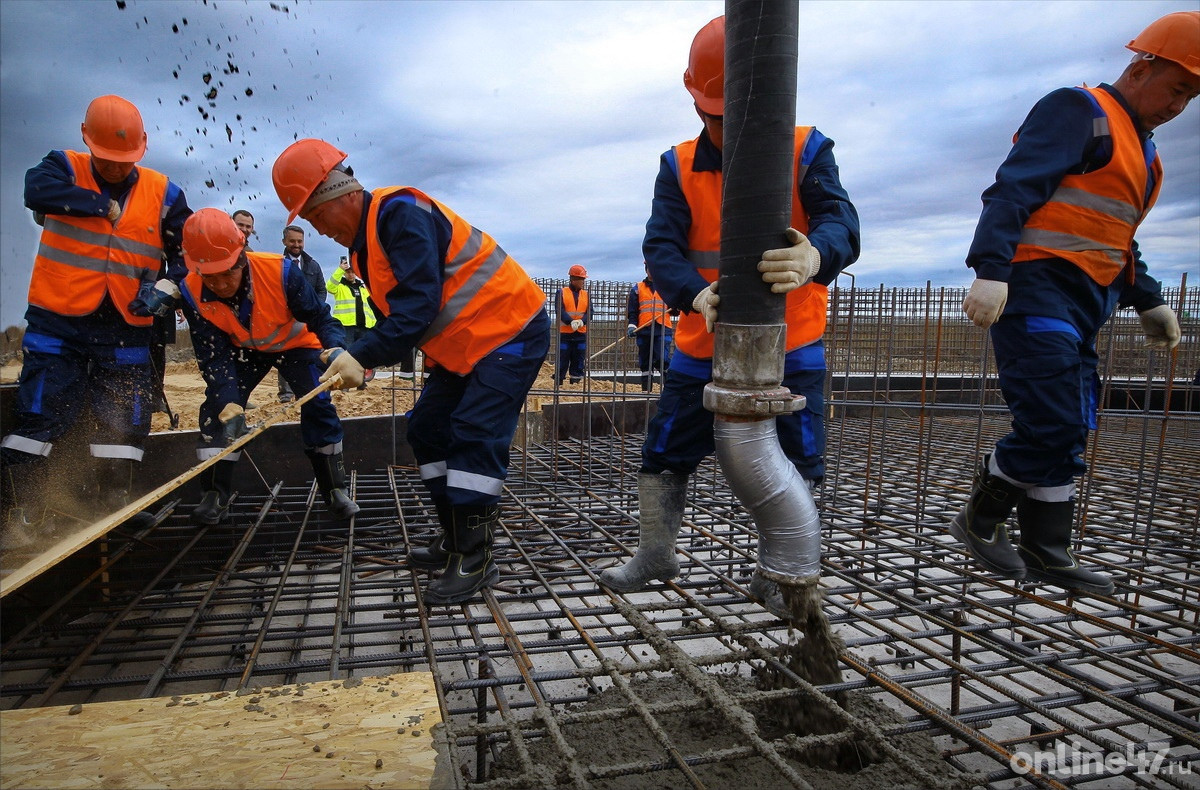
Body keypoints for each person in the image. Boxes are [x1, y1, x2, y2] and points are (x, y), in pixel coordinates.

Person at [597, 17, 861, 610]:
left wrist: (816, 253)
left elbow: (843, 224)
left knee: (800, 458)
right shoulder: (678, 165)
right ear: (698, 104)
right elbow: (660, 248)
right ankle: (657, 554)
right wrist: (694, 294)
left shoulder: (806, 148)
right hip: (701, 346)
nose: (733, 126)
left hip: (793, 346)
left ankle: (782, 569)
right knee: (665, 451)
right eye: (720, 115)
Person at [952, 12, 1196, 597]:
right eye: (1178, 88)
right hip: (1034, 289)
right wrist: (990, 270)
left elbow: (1114, 237)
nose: (1179, 105)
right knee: (1052, 419)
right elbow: (1013, 188)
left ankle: (1047, 547)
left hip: (1086, 303)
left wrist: (1149, 301)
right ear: (1141, 68)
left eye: (1192, 97)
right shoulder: (1079, 111)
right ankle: (980, 518)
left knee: (1074, 422)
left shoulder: (1146, 153)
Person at [271, 138, 550, 605]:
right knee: (426, 427)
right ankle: (456, 535)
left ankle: (476, 556)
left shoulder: (399, 213)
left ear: (337, 194)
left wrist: (362, 355)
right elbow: (397, 316)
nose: (319, 230)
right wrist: (358, 353)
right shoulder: (365, 249)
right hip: (467, 346)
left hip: (509, 332)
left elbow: (420, 304)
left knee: (474, 431)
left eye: (317, 217)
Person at [1, 94, 191, 546]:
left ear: (141, 149)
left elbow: (187, 256)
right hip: (57, 320)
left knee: (123, 420)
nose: (114, 168)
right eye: (106, 159)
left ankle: (112, 510)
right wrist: (97, 204)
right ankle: (26, 515)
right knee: (40, 414)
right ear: (88, 143)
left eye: (123, 160)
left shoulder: (164, 193)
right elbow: (36, 192)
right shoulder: (63, 168)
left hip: (126, 323)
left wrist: (165, 290)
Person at [176, 208, 359, 525]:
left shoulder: (281, 271)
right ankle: (215, 494)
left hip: (296, 346)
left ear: (242, 257)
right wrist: (228, 399)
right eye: (210, 276)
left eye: (227, 273)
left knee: (317, 403)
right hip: (245, 351)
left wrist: (337, 350)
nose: (220, 284)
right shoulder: (191, 292)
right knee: (216, 410)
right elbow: (213, 356)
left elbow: (319, 318)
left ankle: (334, 489)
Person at [277, 225, 326, 403]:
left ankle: (307, 391)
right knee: (286, 355)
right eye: (292, 241)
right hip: (287, 319)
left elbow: (321, 289)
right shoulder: (278, 264)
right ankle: (286, 394)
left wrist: (315, 309)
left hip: (309, 319)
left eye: (299, 241)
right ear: (284, 241)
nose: (296, 245)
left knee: (310, 354)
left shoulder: (313, 265)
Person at [326, 255, 377, 390]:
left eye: (353, 271)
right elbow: (329, 287)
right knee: (346, 355)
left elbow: (370, 305)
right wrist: (339, 270)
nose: (351, 274)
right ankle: (344, 384)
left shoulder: (362, 287)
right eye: (348, 271)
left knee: (361, 355)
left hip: (364, 326)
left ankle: (360, 382)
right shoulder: (340, 286)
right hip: (346, 326)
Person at [626, 262, 677, 391]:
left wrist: (678, 305)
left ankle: (669, 388)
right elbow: (633, 311)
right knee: (645, 361)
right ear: (646, 269)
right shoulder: (637, 288)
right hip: (644, 329)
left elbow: (675, 310)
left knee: (661, 359)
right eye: (649, 267)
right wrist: (632, 325)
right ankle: (646, 389)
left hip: (662, 329)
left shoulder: (666, 287)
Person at [556, 264, 590, 385]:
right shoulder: (562, 293)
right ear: (574, 279)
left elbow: (589, 312)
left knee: (578, 361)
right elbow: (560, 311)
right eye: (582, 279)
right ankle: (559, 383)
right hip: (565, 334)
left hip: (580, 334)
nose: (583, 282)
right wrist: (571, 322)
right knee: (562, 360)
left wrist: (582, 321)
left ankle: (575, 384)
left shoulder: (586, 295)